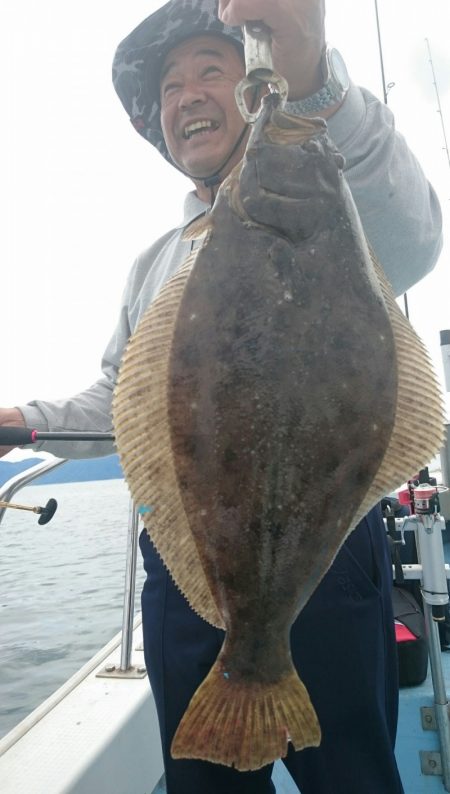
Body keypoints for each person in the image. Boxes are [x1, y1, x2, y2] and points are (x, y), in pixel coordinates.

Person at [0, 1, 443, 792]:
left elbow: (411, 230)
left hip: (330, 551)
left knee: (353, 778)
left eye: (211, 69)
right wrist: (25, 421)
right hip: (190, 564)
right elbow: (123, 400)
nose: (187, 95)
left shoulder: (344, 208)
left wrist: (309, 86)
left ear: (255, 91)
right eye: (170, 86)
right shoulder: (154, 264)